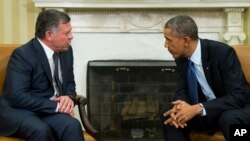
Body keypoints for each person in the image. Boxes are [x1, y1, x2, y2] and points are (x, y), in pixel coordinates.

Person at [160, 15, 250, 141]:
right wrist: (180, 106)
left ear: (185, 41)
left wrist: (198, 108)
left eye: (169, 40)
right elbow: (182, 89)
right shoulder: (181, 57)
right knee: (169, 113)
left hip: (235, 108)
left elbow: (238, 96)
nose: (165, 45)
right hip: (207, 110)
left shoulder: (222, 53)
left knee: (229, 118)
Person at [0, 9, 84, 141]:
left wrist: (68, 97)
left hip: (47, 111)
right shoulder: (23, 55)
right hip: (20, 111)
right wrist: (57, 106)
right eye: (67, 33)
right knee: (40, 130)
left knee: (72, 125)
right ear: (49, 35)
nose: (71, 36)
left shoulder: (66, 51)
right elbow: (17, 96)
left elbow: (69, 84)